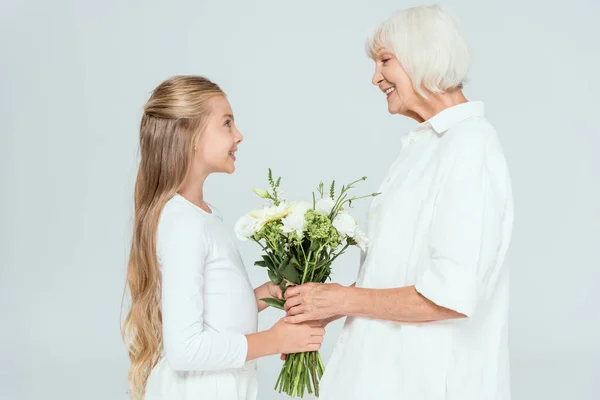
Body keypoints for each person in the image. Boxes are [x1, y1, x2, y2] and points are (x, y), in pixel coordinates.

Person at [283, 5, 514, 400]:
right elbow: (398, 272)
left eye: (385, 61)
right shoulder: (425, 146)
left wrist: (345, 298)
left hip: (426, 382)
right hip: (381, 377)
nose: (375, 77)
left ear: (423, 55)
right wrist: (328, 304)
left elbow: (451, 293)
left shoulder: (470, 148)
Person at [121, 75, 325, 400]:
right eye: (227, 123)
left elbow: (215, 312)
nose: (239, 135)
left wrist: (267, 293)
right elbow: (185, 349)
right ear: (189, 136)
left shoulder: (204, 214)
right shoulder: (183, 222)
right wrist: (274, 341)